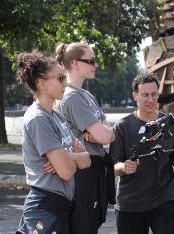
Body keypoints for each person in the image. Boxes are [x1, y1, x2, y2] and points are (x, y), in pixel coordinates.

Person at [16, 51, 91, 234]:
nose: (65, 83)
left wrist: (69, 156)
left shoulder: (57, 116)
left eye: (64, 77)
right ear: (41, 83)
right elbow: (66, 172)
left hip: (61, 204)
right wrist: (73, 159)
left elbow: (87, 160)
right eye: (59, 78)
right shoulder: (38, 119)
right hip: (45, 206)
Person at [109, 73, 174, 234]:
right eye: (145, 95)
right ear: (135, 96)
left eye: (154, 94)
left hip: (164, 200)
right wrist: (124, 167)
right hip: (130, 203)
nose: (150, 100)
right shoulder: (123, 126)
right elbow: (113, 165)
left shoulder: (170, 123)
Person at [55, 42, 115, 234]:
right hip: (83, 173)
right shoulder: (72, 97)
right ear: (75, 63)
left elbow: (108, 134)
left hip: (94, 169)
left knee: (90, 225)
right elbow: (105, 135)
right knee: (83, 227)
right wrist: (102, 135)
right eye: (91, 61)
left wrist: (102, 135)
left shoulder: (86, 95)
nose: (96, 65)